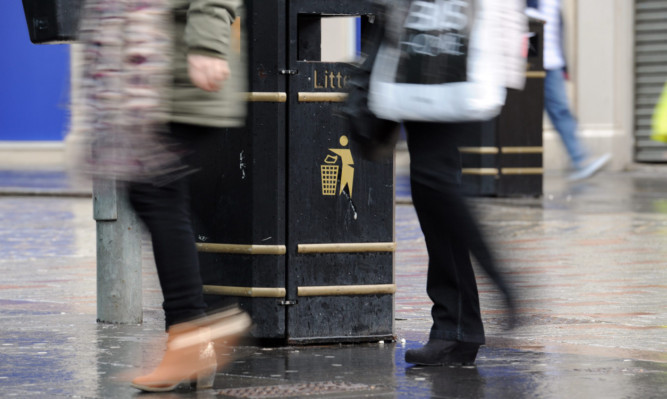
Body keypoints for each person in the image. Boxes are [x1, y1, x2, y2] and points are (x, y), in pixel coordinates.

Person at [78, 0, 251, 392]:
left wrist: (207, 44)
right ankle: (195, 339)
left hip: (171, 69)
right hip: (152, 73)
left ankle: (196, 330)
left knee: (156, 195)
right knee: (155, 195)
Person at [526, 0, 611, 181]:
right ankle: (520, 166)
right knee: (525, 116)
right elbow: (528, 25)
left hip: (554, 63)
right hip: (532, 61)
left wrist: (564, 66)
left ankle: (580, 159)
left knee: (562, 111)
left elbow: (558, 32)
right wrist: (532, 59)